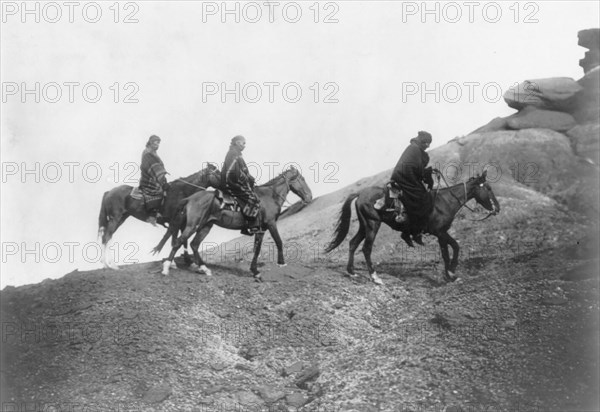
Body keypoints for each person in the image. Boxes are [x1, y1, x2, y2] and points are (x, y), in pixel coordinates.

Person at [390, 131, 434, 246]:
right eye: (427, 143)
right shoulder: (414, 149)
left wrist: (426, 172)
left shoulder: (415, 149)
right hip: (403, 177)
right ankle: (411, 232)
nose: (428, 146)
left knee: (422, 195)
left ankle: (414, 231)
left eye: (429, 143)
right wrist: (424, 174)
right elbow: (413, 168)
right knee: (421, 198)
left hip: (406, 176)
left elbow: (416, 168)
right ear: (422, 141)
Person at [222, 135, 261, 235]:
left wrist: (249, 177)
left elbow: (242, 170)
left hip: (234, 180)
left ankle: (245, 224)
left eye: (245, 144)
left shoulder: (236, 153)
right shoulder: (233, 153)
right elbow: (233, 172)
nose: (244, 145)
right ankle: (251, 225)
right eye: (243, 143)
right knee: (252, 198)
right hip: (231, 182)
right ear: (236, 143)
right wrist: (246, 178)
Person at [139, 135, 169, 226]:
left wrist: (162, 177)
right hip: (148, 178)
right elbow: (151, 167)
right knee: (159, 190)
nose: (157, 144)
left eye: (158, 143)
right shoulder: (147, 153)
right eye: (156, 142)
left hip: (155, 176)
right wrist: (160, 177)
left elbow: (157, 167)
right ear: (151, 142)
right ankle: (152, 214)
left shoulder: (154, 153)